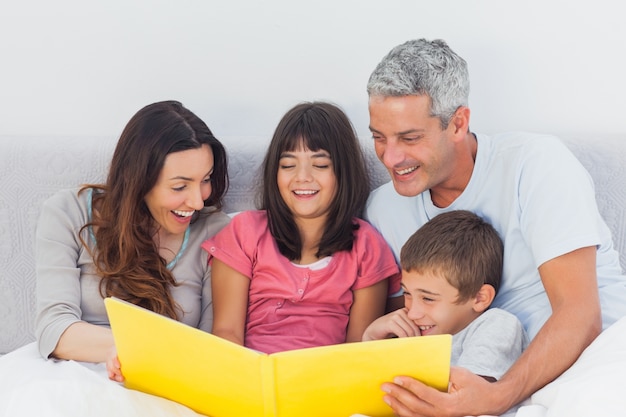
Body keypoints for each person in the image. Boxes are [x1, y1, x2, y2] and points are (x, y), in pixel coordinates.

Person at [364, 38, 626, 416]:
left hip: (593, 362)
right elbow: (404, 330)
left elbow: (581, 315)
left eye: (409, 138)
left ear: (458, 123)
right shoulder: (383, 209)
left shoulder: (536, 165)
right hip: (476, 382)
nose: (390, 157)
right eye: (378, 137)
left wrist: (497, 397)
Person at [34, 100, 231, 381]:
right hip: (77, 375)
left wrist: (144, 356)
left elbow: (212, 344)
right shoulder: (68, 212)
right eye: (180, 186)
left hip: (171, 380)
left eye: (206, 179)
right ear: (139, 179)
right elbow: (53, 328)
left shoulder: (214, 230)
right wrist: (121, 350)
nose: (198, 201)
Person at [201, 101, 401, 354]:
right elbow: (226, 333)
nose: (302, 177)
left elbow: (357, 351)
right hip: (249, 375)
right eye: (288, 165)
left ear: (343, 172)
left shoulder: (367, 246)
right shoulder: (244, 231)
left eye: (320, 165)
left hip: (326, 382)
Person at [362, 210, 528, 388]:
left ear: (480, 298)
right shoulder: (416, 333)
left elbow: (467, 397)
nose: (412, 313)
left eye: (428, 298)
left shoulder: (497, 325)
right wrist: (371, 339)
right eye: (407, 294)